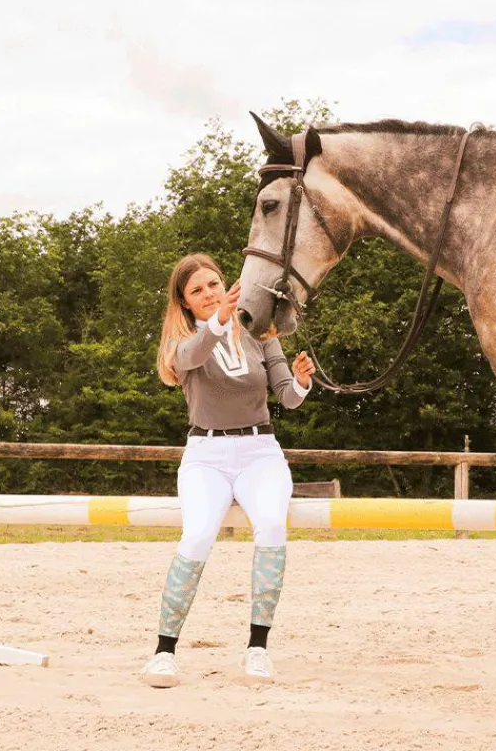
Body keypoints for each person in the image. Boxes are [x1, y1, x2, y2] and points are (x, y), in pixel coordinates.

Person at [140, 253, 316, 687]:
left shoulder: (258, 332)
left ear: (225, 284)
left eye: (213, 284)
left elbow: (287, 398)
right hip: (206, 455)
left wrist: (302, 382)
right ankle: (164, 651)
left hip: (260, 451)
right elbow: (197, 352)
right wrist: (219, 319)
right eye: (197, 290)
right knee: (198, 535)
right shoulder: (182, 342)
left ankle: (258, 647)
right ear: (183, 302)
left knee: (273, 526)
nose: (208, 293)